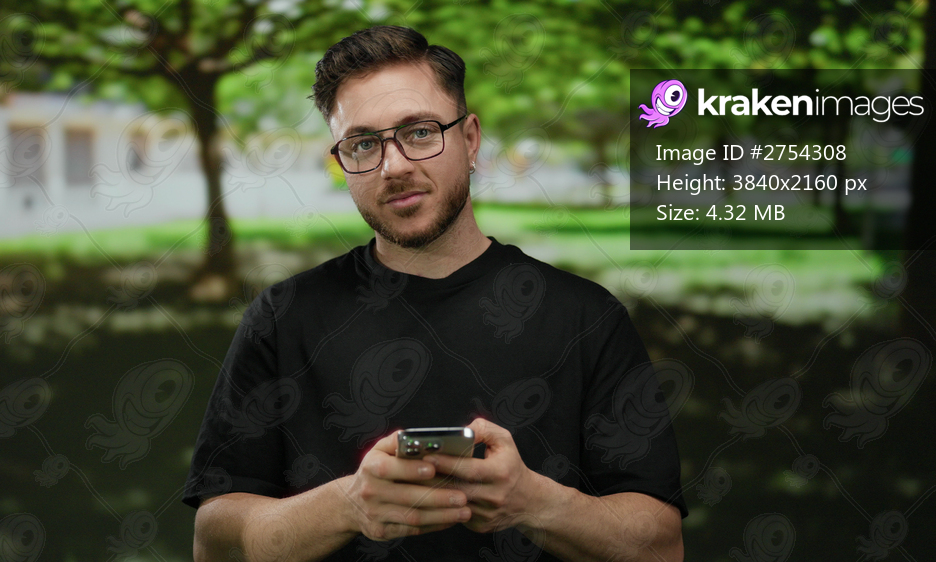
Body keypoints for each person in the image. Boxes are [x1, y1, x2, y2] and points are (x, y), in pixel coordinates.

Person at [184, 25, 688, 562]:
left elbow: (662, 548)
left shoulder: (586, 316)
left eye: (420, 132)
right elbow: (213, 542)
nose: (395, 166)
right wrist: (347, 506)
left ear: (470, 139)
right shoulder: (283, 317)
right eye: (363, 144)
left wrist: (537, 503)